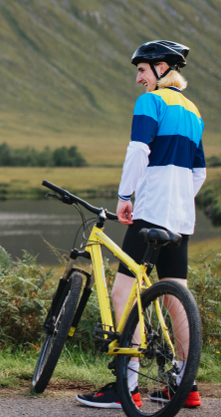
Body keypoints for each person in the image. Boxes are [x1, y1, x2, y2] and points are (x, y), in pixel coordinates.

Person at [77, 41, 205, 410]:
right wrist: (178, 195)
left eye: (142, 71)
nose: (138, 79)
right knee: (175, 295)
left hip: (150, 209)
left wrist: (125, 196)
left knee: (123, 294)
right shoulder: (193, 110)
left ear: (162, 68)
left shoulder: (152, 101)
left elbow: (138, 150)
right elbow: (200, 172)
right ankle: (186, 382)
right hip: (181, 215)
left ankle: (127, 384)